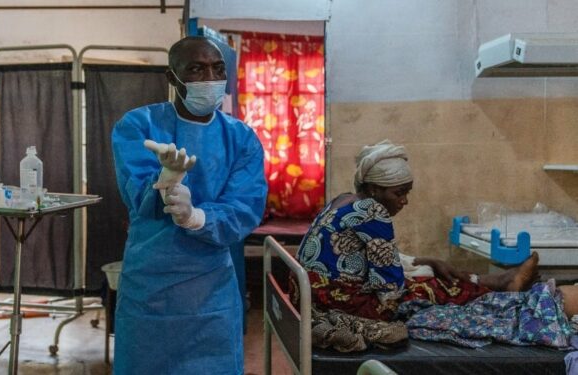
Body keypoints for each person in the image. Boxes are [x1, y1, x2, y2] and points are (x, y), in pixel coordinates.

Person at [111, 36, 267, 374]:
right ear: (173, 78)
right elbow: (138, 195)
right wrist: (165, 183)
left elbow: (245, 205)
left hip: (211, 288)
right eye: (196, 69)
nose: (210, 78)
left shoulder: (241, 138)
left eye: (217, 69)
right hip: (152, 284)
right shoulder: (139, 126)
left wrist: (197, 217)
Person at [292, 140, 574, 321]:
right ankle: (502, 288)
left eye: (407, 192)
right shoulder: (373, 211)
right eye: (399, 193)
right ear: (375, 189)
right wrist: (422, 276)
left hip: (311, 290)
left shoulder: (343, 199)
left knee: (425, 270)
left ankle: (499, 281)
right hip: (336, 301)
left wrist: (425, 262)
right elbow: (390, 290)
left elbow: (366, 256)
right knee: (432, 288)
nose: (404, 201)